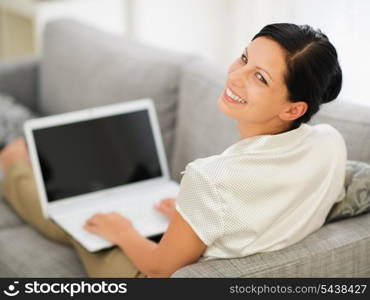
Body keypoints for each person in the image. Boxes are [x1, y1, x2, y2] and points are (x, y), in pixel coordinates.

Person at [0, 23, 346, 278]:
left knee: (81, 222)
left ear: (293, 109)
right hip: (203, 239)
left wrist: (122, 231)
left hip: (149, 272)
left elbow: (160, 268)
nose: (236, 76)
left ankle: (12, 162)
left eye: (260, 78)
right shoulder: (330, 141)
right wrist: (192, 219)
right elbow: (267, 204)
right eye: (243, 57)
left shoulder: (211, 177)